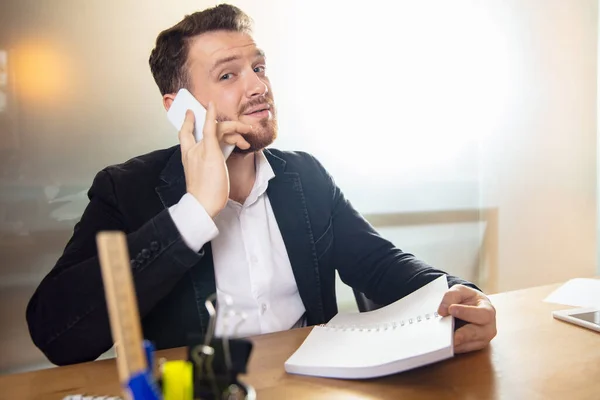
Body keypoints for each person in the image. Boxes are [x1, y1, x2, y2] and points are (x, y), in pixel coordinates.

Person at [26, 4, 496, 366]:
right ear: (178, 107)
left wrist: (459, 294)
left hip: (311, 385)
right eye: (228, 74)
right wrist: (193, 212)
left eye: (259, 68)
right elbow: (57, 334)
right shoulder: (125, 189)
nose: (257, 87)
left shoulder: (304, 177)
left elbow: (380, 263)